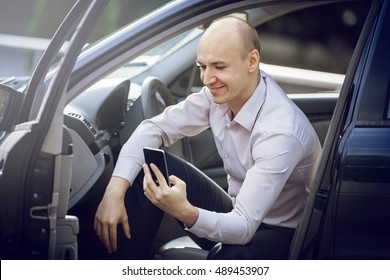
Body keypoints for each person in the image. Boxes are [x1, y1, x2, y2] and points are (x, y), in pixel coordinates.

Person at [94, 16, 322, 260]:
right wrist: (114, 192)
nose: (207, 79)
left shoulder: (279, 131)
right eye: (203, 66)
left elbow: (244, 227)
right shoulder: (218, 95)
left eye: (219, 67)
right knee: (148, 166)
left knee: (230, 257)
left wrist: (185, 211)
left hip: (285, 235)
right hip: (238, 211)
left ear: (252, 61)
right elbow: (152, 129)